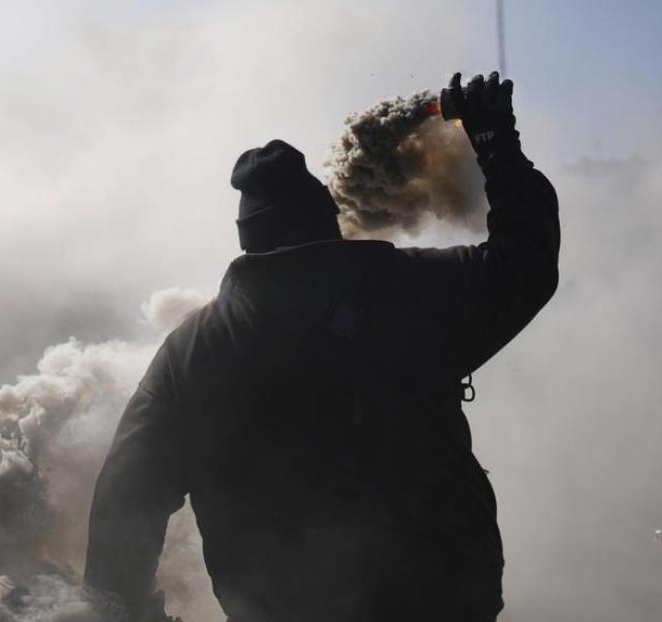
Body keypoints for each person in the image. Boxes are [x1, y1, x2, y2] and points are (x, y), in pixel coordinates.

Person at [84, 73, 560, 622]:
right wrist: (498, 147)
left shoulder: (190, 353)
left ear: (248, 240)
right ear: (326, 221)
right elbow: (524, 264)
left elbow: (127, 497)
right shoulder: (408, 293)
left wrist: (124, 611)